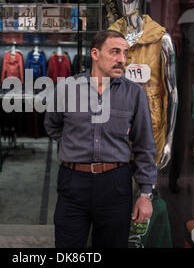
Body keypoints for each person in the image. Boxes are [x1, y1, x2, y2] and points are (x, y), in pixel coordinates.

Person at [44, 30, 157, 248]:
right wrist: (75, 143)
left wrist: (145, 194)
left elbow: (145, 145)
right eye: (115, 52)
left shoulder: (134, 94)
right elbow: (52, 125)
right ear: (95, 53)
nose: (122, 60)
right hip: (72, 183)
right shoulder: (66, 89)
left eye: (125, 53)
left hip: (115, 184)